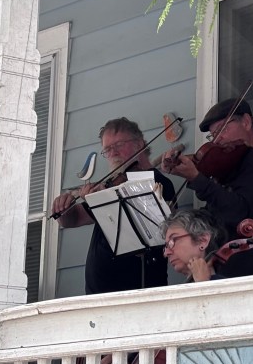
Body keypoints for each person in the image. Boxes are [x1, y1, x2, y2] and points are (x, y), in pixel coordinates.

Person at [161, 99, 253, 277]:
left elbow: (239, 212)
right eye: (213, 136)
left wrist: (197, 178)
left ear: (246, 122)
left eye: (223, 130)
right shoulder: (231, 168)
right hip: (232, 272)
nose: (218, 140)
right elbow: (214, 217)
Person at [51, 118, 176, 294]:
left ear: (139, 143)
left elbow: (153, 232)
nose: (113, 153)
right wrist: (63, 209)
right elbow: (74, 219)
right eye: (107, 150)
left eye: (118, 145)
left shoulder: (159, 183)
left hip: (137, 289)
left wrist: (99, 201)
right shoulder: (111, 186)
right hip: (98, 293)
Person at [161, 209, 228, 282]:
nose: (166, 253)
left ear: (202, 241)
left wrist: (202, 282)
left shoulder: (227, 287)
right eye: (167, 246)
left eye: (173, 240)